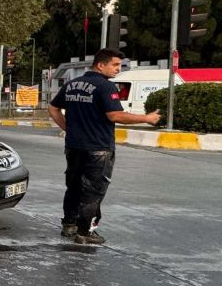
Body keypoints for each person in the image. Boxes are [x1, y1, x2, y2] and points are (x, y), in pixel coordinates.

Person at [47, 48, 161, 245]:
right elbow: (115, 115)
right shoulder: (106, 86)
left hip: (74, 146)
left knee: (73, 186)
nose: (118, 69)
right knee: (94, 191)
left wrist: (68, 128)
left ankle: (69, 225)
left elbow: (53, 107)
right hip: (98, 148)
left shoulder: (73, 84)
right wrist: (147, 118)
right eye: (115, 65)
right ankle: (86, 232)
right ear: (101, 65)